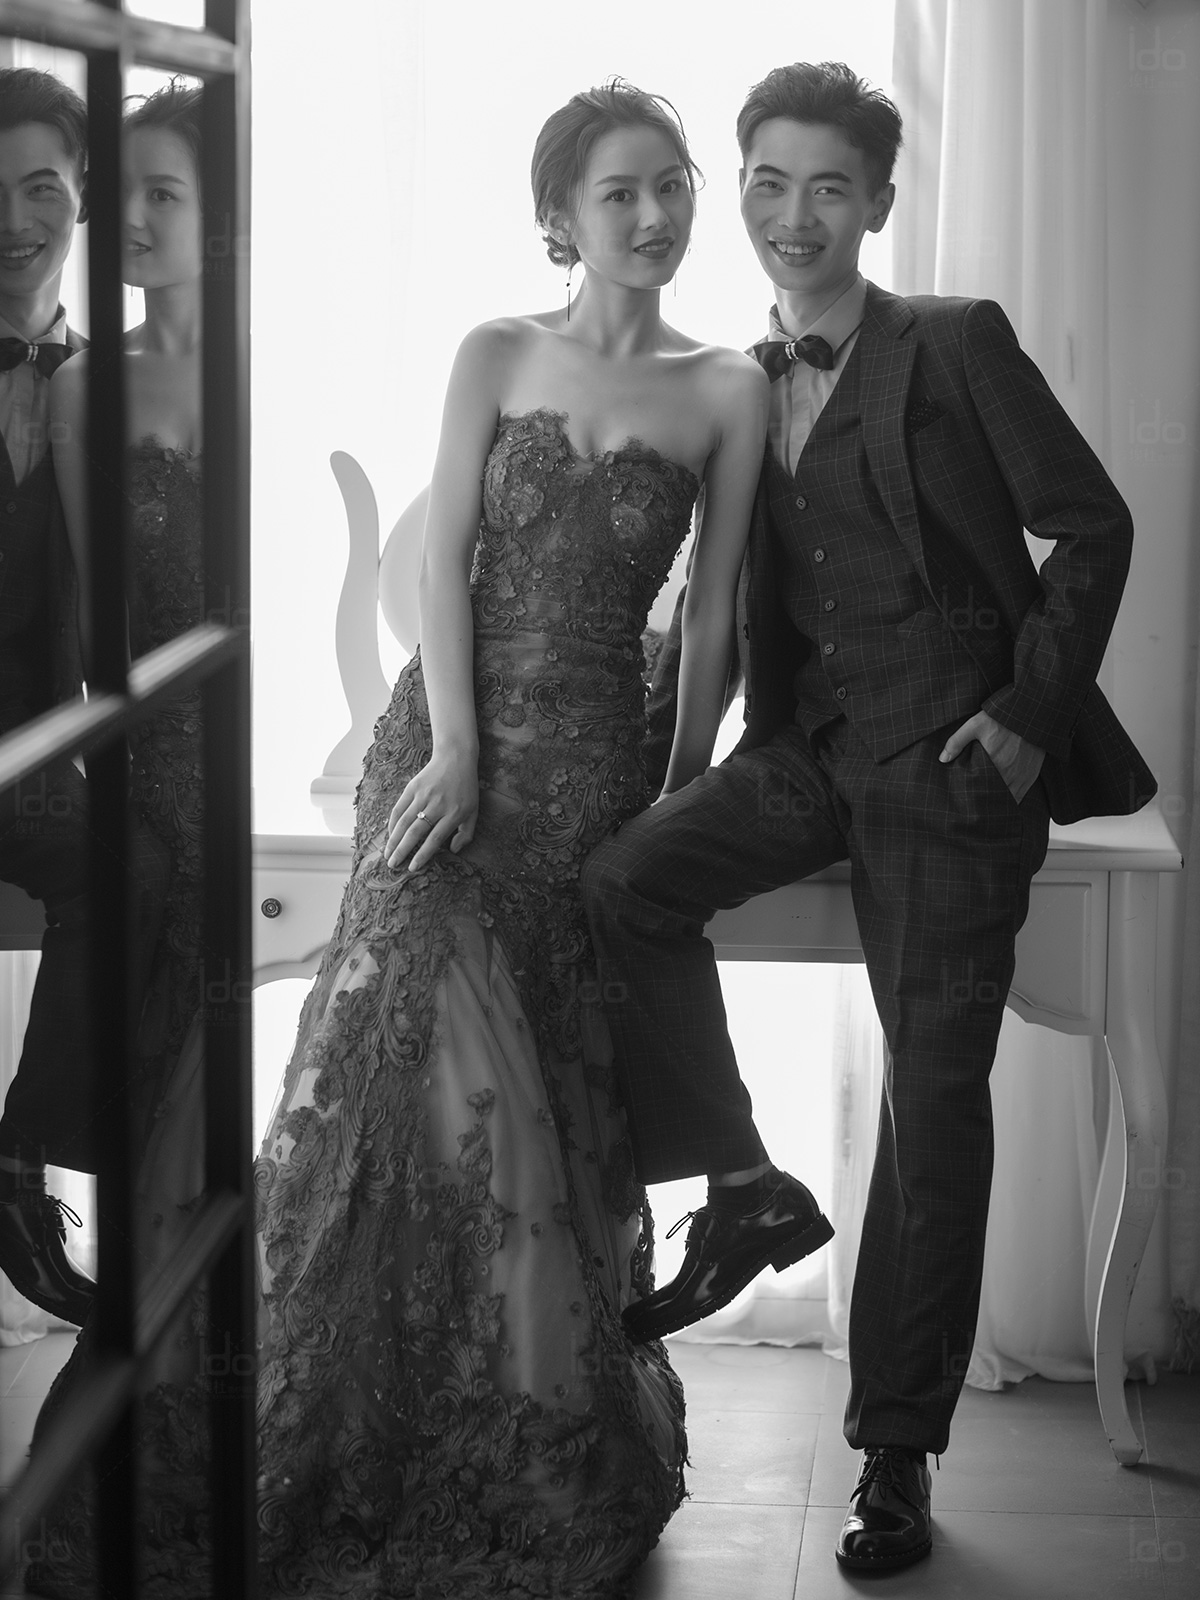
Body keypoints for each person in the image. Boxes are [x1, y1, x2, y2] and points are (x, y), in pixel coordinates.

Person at [581, 60, 1156, 1576]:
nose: (795, 214)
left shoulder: (953, 344)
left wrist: (1025, 717)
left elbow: (1092, 524)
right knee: (624, 882)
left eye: (829, 186)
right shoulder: (736, 378)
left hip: (952, 773)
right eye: (768, 182)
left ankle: (896, 1449)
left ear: (879, 202)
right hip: (809, 750)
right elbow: (721, 606)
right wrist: (675, 760)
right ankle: (744, 1182)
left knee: (933, 1091)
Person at [249, 80, 767, 1600]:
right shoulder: (494, 350)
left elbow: (714, 615)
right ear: (560, 217)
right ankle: (357, 1414)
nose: (656, 215)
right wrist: (459, 750)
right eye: (621, 193)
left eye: (673, 184)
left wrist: (679, 793)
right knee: (404, 1057)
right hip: (447, 749)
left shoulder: (727, 387)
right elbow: (444, 566)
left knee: (543, 1071)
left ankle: (531, 1418)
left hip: (599, 766)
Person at [25, 79, 210, 1600]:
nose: (128, 222)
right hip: (127, 769)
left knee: (214, 1105)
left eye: (163, 194)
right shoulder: (91, 387)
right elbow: (93, 642)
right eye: (121, 193)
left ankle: (189, 1422)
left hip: (217, 763)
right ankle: (111, 1453)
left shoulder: (249, 368)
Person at [0, 68, 167, 1333]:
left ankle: (23, 1168)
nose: (12, 221)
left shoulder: (110, 383)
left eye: (40, 189)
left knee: (131, 865)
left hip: (33, 749)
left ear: (84, 200)